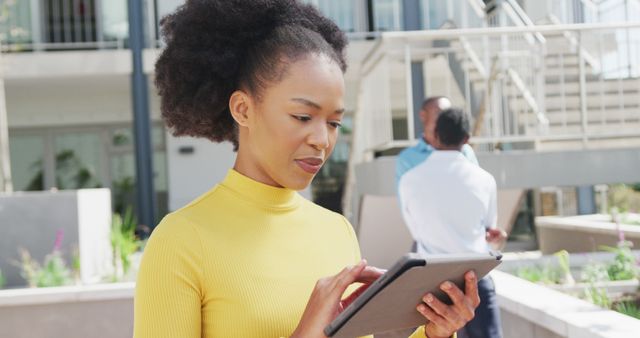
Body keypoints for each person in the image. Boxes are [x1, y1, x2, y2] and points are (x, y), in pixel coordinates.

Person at [134, 1, 481, 337]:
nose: (322, 140)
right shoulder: (180, 242)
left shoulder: (337, 231)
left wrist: (436, 333)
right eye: (303, 117)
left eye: (333, 123)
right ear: (242, 109)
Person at [397, 108, 505, 338]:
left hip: (431, 285)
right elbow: (489, 232)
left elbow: (415, 231)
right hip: (476, 279)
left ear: (434, 135)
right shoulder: (484, 180)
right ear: (466, 139)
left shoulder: (409, 180)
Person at [395, 96, 478, 187]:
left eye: (448, 113)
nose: (446, 118)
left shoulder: (465, 150)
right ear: (423, 115)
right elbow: (405, 197)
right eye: (440, 113)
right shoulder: (407, 158)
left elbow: (476, 185)